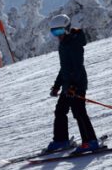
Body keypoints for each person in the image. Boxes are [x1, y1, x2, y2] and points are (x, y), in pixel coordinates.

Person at [43, 14, 100, 155]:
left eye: (60, 32)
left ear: (67, 29)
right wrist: (57, 85)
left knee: (79, 112)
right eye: (54, 33)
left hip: (77, 85)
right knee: (60, 110)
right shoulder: (63, 44)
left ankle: (90, 141)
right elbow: (65, 68)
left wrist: (74, 87)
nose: (58, 35)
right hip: (68, 86)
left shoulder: (74, 44)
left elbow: (77, 67)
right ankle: (61, 140)